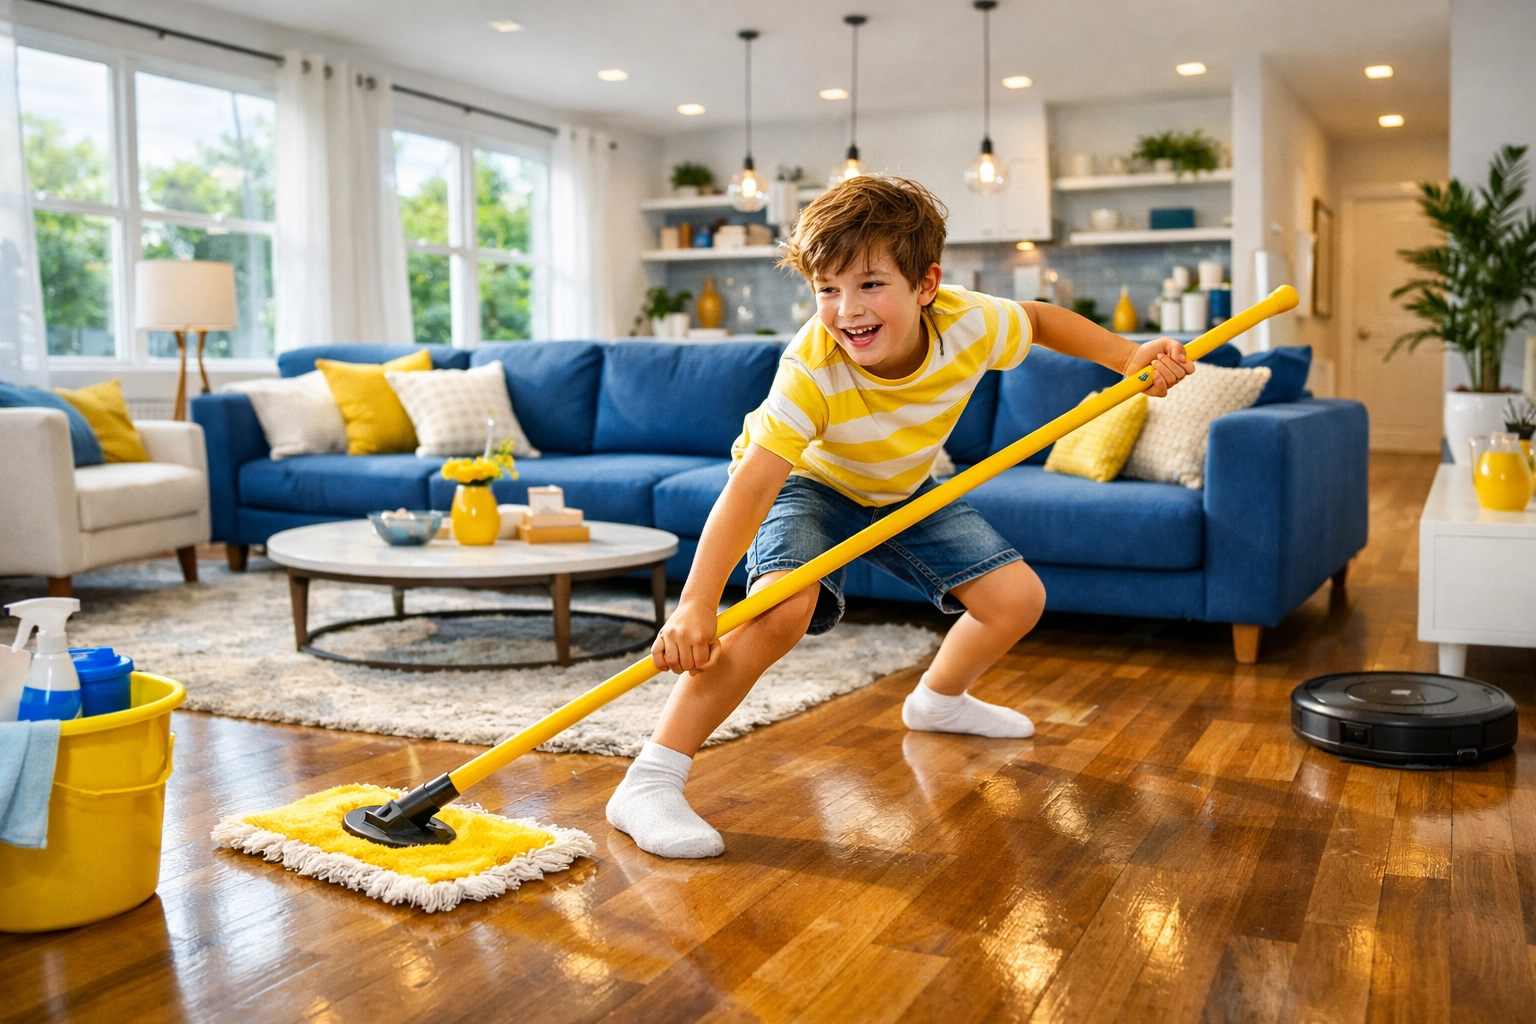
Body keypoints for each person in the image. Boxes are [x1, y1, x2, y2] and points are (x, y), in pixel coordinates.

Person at [607, 176, 1193, 858]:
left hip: (902, 488)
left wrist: (1125, 356)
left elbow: (1038, 319)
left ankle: (938, 701)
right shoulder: (813, 368)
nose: (846, 310)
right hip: (811, 484)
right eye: (827, 289)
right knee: (779, 609)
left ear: (926, 285)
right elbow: (751, 486)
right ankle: (649, 781)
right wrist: (697, 603)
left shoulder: (968, 321)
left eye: (869, 285)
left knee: (1017, 599)